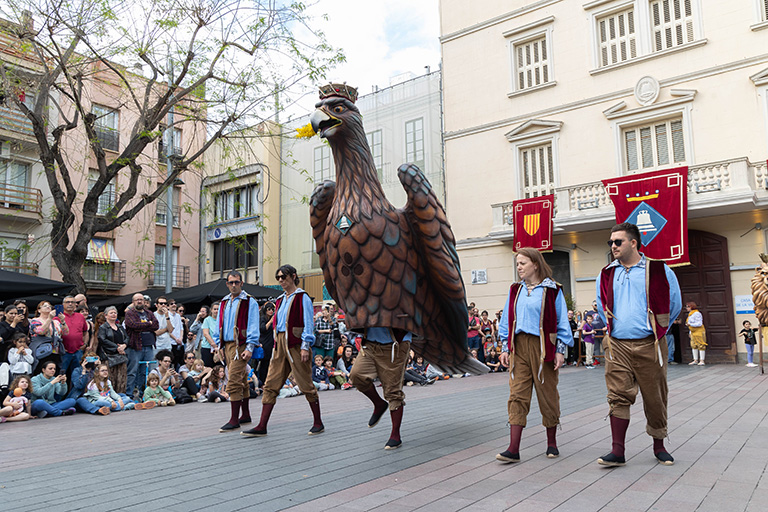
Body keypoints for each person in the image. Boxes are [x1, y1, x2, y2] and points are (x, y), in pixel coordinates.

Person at [595, 222, 682, 467]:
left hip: (650, 343)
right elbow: (602, 306)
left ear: (633, 243)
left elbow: (674, 303)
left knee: (655, 396)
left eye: (618, 241)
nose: (613, 246)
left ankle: (659, 446)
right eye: (610, 242)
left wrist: (658, 329)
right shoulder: (607, 273)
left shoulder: (659, 269)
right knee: (617, 395)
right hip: (617, 345)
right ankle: (617, 451)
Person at [496, 247, 574, 464]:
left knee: (547, 394)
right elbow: (506, 320)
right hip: (519, 346)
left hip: (543, 347)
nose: (519, 267)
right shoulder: (515, 290)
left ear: (536, 264)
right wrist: (504, 346)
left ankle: (551, 443)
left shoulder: (553, 290)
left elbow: (561, 322)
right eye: (517, 263)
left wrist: (560, 350)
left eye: (522, 263)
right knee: (517, 394)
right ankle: (513, 448)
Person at [241, 264, 324, 438]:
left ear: (293, 276)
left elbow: (309, 323)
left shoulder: (303, 298)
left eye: (283, 277)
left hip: (296, 344)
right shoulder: (279, 299)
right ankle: (262, 425)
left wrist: (305, 346)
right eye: (278, 277)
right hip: (279, 345)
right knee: (271, 384)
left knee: (306, 384)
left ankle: (318, 422)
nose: (280, 280)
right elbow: (278, 325)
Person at [211, 270, 261, 432]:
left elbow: (253, 324)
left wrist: (250, 347)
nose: (233, 285)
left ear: (242, 283)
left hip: (242, 345)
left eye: (236, 282)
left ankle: (234, 419)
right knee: (241, 380)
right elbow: (220, 323)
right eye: (231, 282)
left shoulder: (249, 301)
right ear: (227, 284)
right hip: (228, 345)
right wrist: (218, 344)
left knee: (232, 380)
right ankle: (245, 414)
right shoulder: (224, 302)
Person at [124, 293, 160, 399]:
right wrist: (148, 324)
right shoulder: (130, 313)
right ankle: (129, 395)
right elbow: (133, 325)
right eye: (137, 300)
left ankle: (143, 394)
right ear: (133, 302)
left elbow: (156, 325)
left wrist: (144, 325)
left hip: (149, 346)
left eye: (141, 299)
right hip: (135, 347)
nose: (139, 301)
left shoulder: (149, 313)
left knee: (145, 373)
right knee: (132, 372)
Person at [29, 301, 69, 373]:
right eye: (45, 306)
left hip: (55, 351)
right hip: (42, 351)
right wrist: (49, 319)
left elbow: (66, 333)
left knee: (54, 372)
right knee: (41, 371)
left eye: (49, 306)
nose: (48, 307)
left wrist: (63, 321)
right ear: (39, 310)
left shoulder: (56, 322)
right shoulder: (35, 320)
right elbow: (41, 331)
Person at [97, 306, 129, 394]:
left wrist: (124, 345)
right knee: (111, 379)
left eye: (115, 313)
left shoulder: (120, 327)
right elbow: (102, 340)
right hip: (109, 356)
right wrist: (117, 347)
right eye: (111, 313)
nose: (113, 314)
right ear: (106, 315)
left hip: (121, 355)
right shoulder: (103, 327)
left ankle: (121, 396)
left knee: (121, 379)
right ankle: (110, 396)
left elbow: (126, 338)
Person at [59, 296, 89, 382]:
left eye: (72, 302)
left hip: (78, 351)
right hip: (64, 352)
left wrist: (85, 344)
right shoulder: (58, 317)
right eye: (68, 302)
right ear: (63, 304)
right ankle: (60, 395)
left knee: (78, 375)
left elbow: (85, 332)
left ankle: (75, 395)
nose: (70, 304)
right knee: (61, 375)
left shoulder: (80, 316)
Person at [257, 302, 276, 388]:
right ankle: (261, 381)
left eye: (272, 309)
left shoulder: (273, 319)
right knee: (263, 363)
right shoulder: (262, 318)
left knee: (268, 363)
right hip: (263, 342)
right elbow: (263, 329)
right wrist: (271, 321)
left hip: (270, 342)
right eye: (269, 309)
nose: (271, 311)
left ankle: (267, 381)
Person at [200, 302, 219, 368]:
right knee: (208, 368)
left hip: (219, 348)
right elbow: (206, 334)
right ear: (211, 310)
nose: (216, 311)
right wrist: (214, 345)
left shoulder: (222, 320)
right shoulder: (207, 320)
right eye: (215, 309)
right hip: (207, 347)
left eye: (218, 309)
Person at [168, 300, 185, 367]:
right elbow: (168, 330)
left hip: (180, 342)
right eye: (171, 304)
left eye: (175, 303)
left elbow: (181, 328)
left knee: (180, 362)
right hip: (171, 342)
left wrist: (180, 338)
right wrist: (176, 339)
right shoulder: (167, 316)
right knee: (171, 362)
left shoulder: (178, 316)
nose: (174, 305)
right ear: (168, 306)